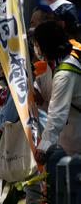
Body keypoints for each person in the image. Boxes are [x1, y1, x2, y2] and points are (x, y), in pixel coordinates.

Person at [33, 21, 81, 163]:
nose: (35, 49)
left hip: (76, 139)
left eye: (36, 44)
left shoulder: (65, 73)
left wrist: (43, 148)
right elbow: (46, 93)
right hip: (71, 139)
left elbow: (57, 114)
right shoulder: (55, 63)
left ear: (45, 45)